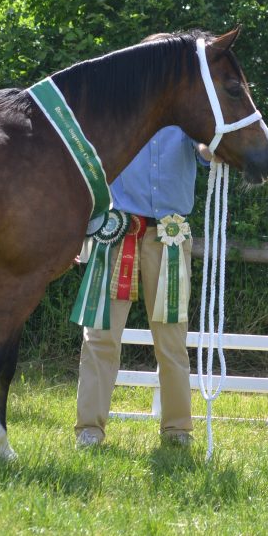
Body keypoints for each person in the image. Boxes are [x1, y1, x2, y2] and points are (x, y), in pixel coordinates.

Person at [74, 125, 210, 448]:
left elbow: (207, 151)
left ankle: (177, 430)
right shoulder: (123, 108)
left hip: (170, 237)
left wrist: (221, 144)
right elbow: (89, 168)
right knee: (100, 336)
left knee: (172, 339)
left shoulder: (187, 112)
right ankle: (90, 429)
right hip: (116, 232)